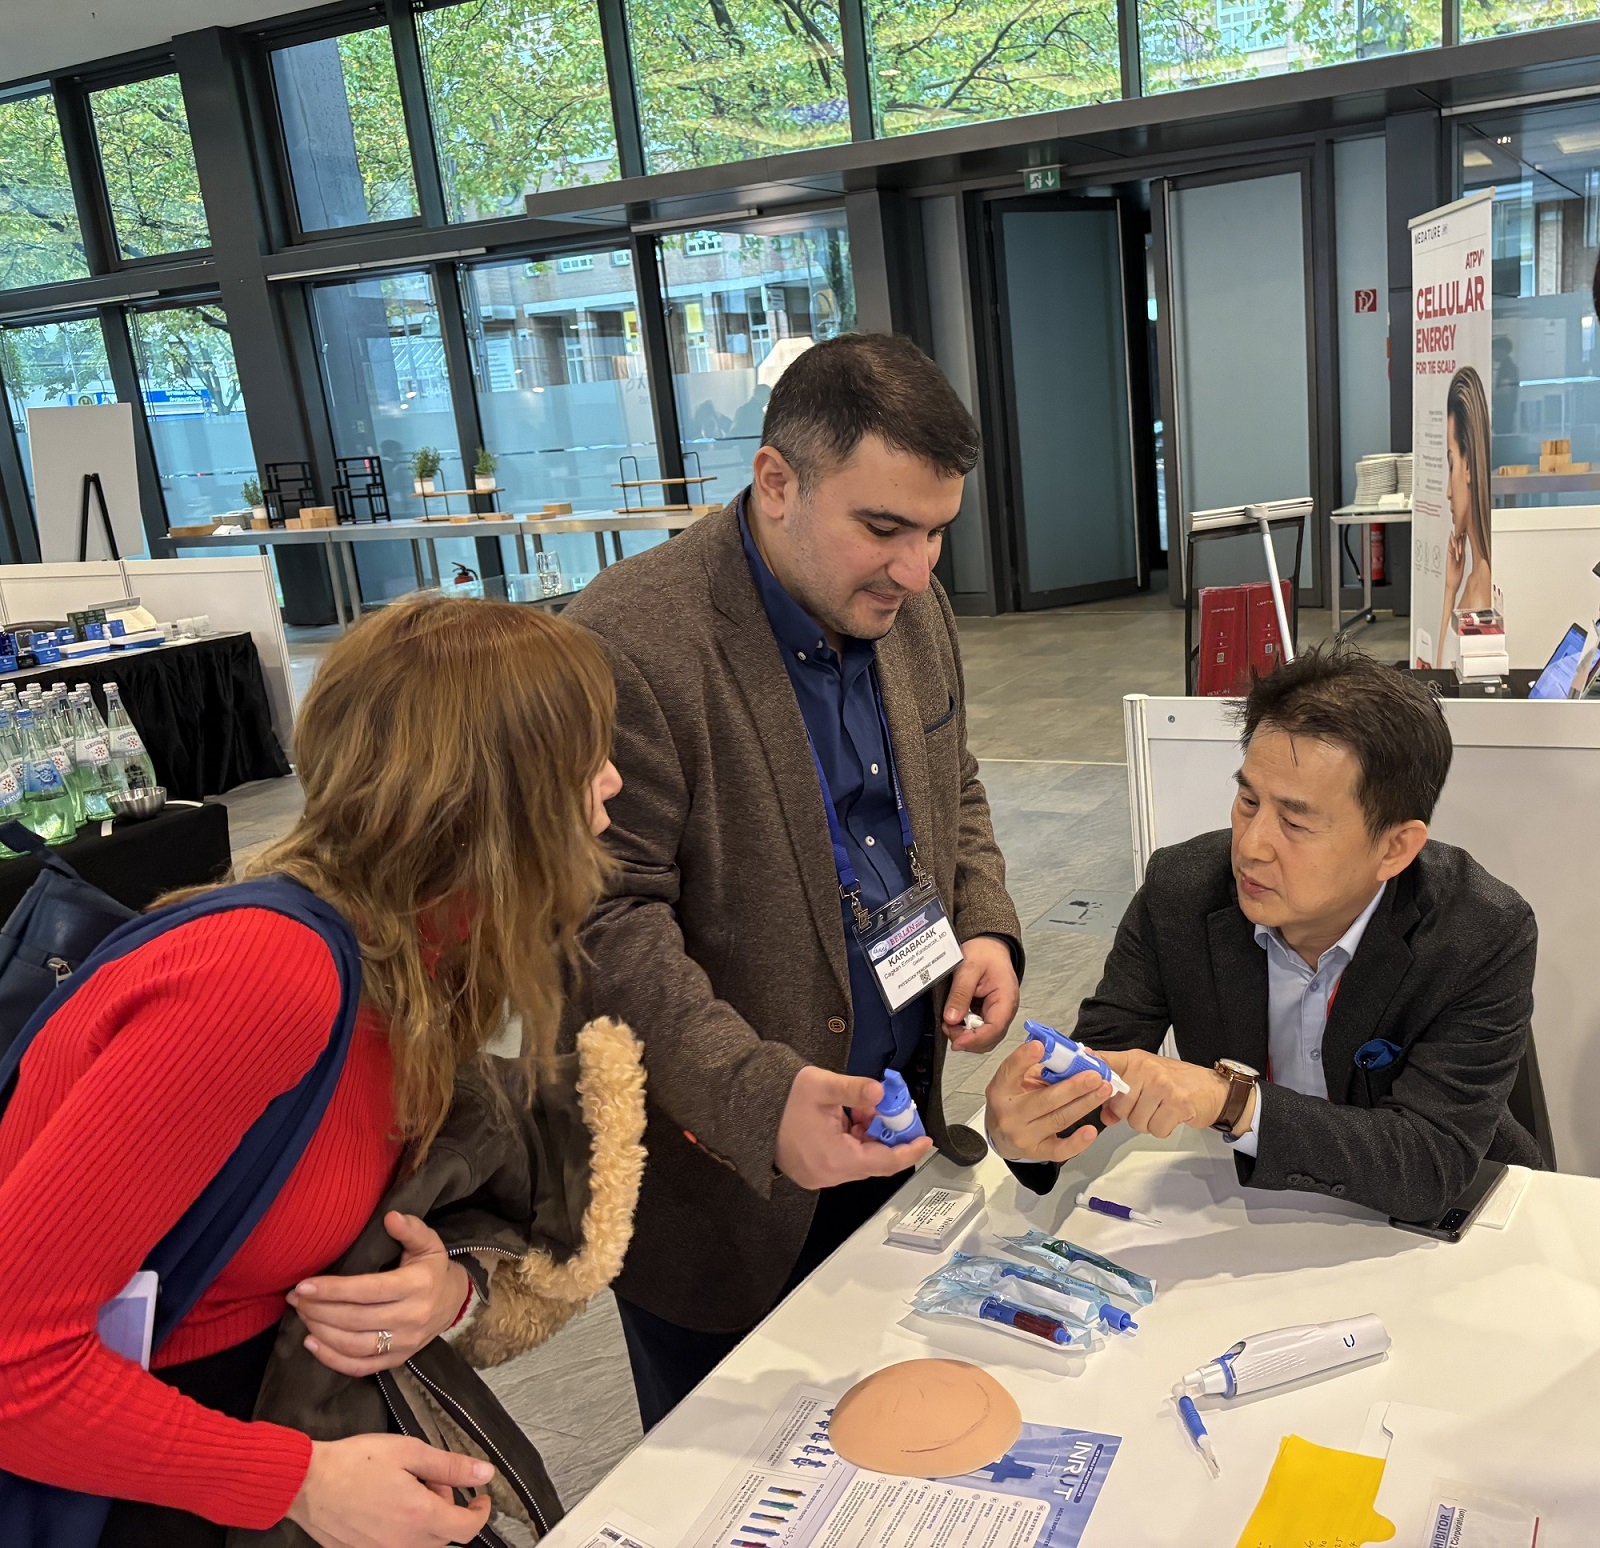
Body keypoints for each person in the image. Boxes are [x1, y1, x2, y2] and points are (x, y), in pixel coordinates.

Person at [0, 594, 627, 1547]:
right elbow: (14, 1362)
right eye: (586, 757)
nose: (612, 780)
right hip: (146, 1477)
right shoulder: (267, 976)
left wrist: (437, 1289)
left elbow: (337, 1196)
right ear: (484, 800)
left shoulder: (413, 953)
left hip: (255, 1416)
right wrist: (295, 1482)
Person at [564, 332, 1024, 1429]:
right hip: (725, 1187)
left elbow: (951, 784)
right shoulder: (629, 642)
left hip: (897, 1129)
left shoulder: (910, 609)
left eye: (936, 533)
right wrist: (758, 1098)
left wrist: (985, 925)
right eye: (884, 528)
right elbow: (598, 924)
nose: (916, 570)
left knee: (893, 1440)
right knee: (733, 1472)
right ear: (776, 481)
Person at [986, 646, 1543, 1224]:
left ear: (1394, 848)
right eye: (1248, 801)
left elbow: (1428, 1163)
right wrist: (1028, 1128)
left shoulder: (1481, 932)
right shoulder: (1181, 892)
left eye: (1295, 822)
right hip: (1244, 1211)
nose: (1251, 846)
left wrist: (1232, 1103)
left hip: (1440, 1226)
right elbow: (1100, 1062)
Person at [1437, 364, 1493, 665]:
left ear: (1468, 466)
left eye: (1451, 465)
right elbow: (1439, 676)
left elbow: (1442, 678)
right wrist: (1450, 589)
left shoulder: (1483, 591)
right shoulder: (1473, 578)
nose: (1448, 491)